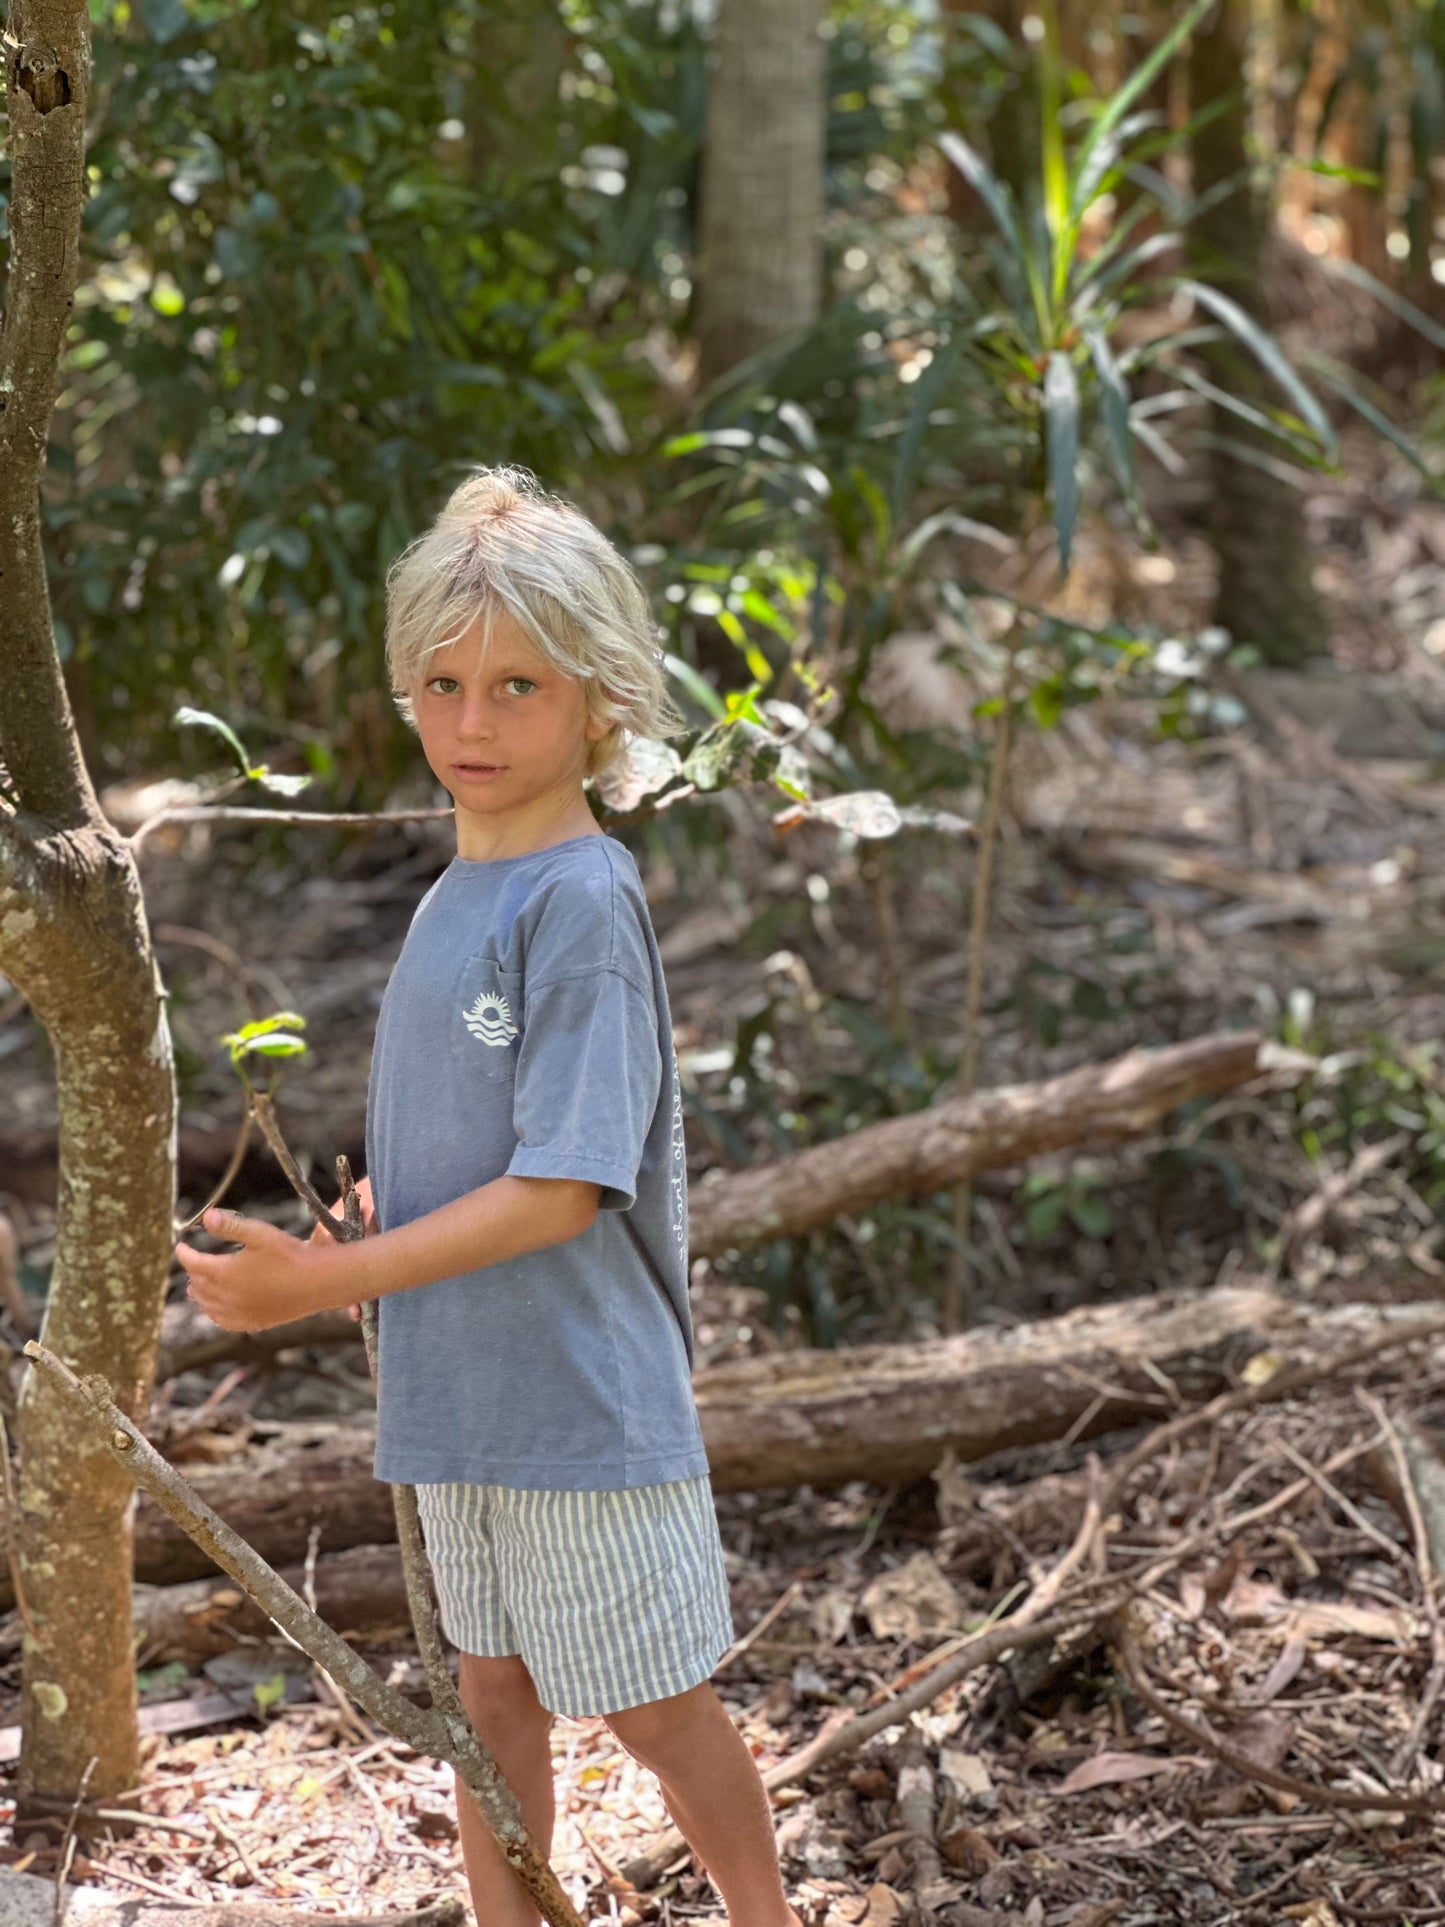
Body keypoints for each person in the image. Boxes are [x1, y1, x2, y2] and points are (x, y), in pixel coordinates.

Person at [175, 466, 801, 1927]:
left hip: (580, 1398)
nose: (472, 723)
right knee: (491, 1691)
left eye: (518, 686)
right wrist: (369, 1222)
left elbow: (564, 1190)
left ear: (600, 699)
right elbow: (486, 1146)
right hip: (464, 1389)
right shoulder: (454, 895)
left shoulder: (580, 902)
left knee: (652, 1708)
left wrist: (314, 1289)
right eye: (443, 684)